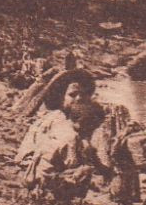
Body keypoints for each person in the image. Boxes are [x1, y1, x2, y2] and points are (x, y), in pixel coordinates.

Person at [14, 69, 103, 197]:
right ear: (61, 97)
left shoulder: (66, 119)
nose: (79, 98)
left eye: (83, 94)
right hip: (44, 178)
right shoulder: (59, 125)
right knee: (85, 170)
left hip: (37, 173)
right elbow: (71, 160)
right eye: (72, 95)